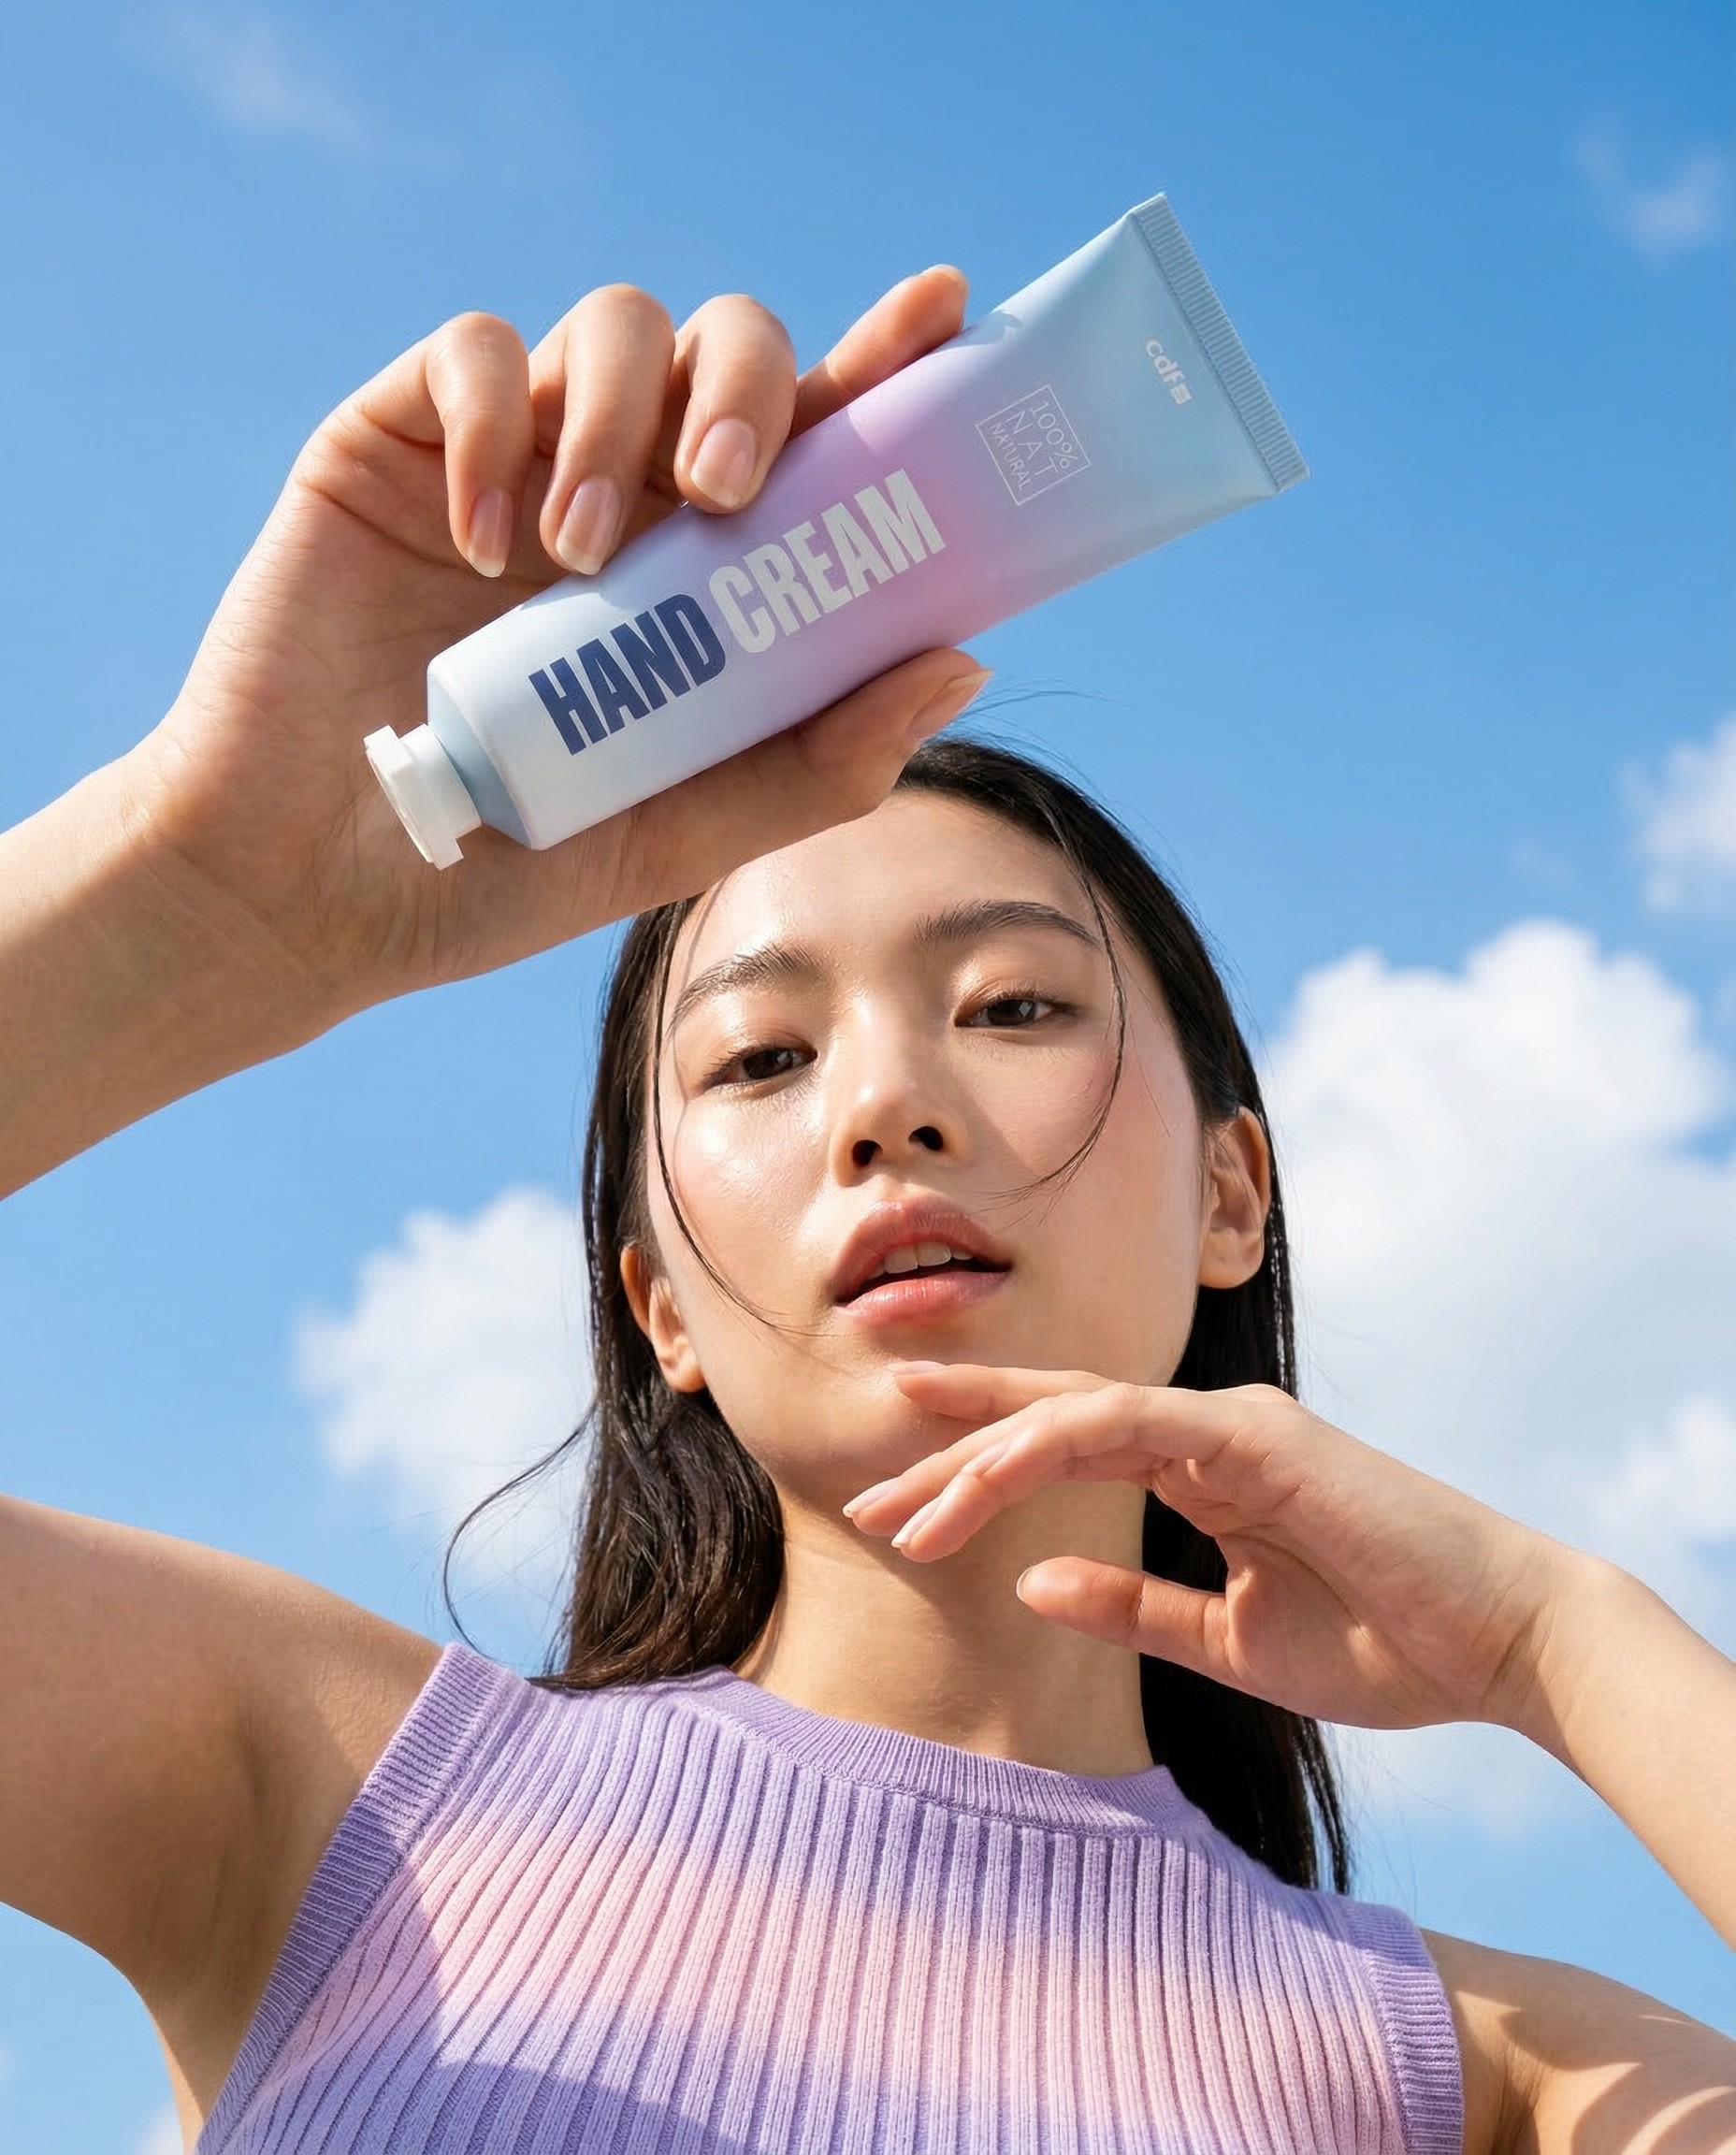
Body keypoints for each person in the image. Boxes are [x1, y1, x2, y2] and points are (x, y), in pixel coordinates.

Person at [0, 266, 1731, 2155]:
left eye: (1009, 1008)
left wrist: (1556, 1640)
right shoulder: (324, 1784)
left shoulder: (1485, 2071)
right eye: (756, 1060)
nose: (888, 1102)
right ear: (654, 1301)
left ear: (1233, 1193)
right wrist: (212, 889)